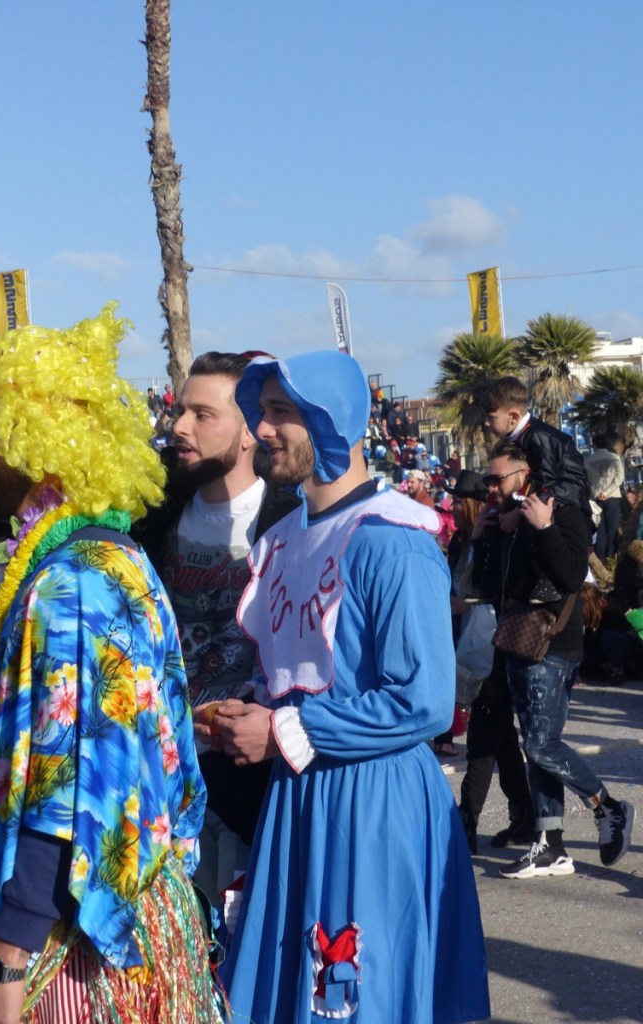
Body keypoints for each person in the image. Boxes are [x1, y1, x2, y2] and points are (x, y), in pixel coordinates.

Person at [0, 304, 221, 1023]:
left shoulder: (71, 585)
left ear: (34, 441)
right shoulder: (106, 555)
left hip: (76, 941)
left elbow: (69, 788)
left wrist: (8, 961)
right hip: (102, 914)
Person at [202, 351, 489, 1024]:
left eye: (281, 413)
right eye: (262, 412)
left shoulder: (393, 540)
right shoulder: (283, 540)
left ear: (332, 421)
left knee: (353, 995)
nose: (262, 430)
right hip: (298, 799)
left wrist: (281, 729)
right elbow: (302, 671)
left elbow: (422, 700)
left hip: (374, 803)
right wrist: (250, 709)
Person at [137, 351, 298, 913]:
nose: (180, 426)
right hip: (161, 771)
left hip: (249, 779)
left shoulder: (290, 520)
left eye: (203, 415)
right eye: (181, 410)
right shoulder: (149, 515)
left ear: (250, 430)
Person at [484, 442, 635, 878]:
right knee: (538, 747)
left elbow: (572, 576)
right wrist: (489, 534)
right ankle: (550, 844)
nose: (492, 487)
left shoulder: (562, 511)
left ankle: (608, 806)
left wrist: (545, 527)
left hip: (552, 645)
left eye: (498, 479)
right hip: (519, 640)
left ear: (524, 474)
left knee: (539, 745)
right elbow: (498, 585)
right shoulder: (512, 518)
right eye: (488, 479)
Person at [449, 471, 534, 854]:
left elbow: (491, 590)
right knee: (502, 741)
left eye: (460, 501)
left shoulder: (497, 535)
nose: (454, 506)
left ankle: (466, 822)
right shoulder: (461, 540)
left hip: (495, 646)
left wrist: (483, 541)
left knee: (483, 737)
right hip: (471, 644)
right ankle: (525, 815)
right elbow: (456, 584)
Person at [481, 376, 591, 605]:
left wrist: (517, 513)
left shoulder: (537, 436)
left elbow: (547, 483)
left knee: (537, 520)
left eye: (491, 417)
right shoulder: (518, 437)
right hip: (551, 492)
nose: (486, 424)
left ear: (513, 417)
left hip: (567, 495)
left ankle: (548, 582)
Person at [584, 434, 625, 561]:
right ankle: (612, 559)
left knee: (600, 533)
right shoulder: (615, 458)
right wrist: (606, 493)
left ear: (594, 445)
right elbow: (619, 478)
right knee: (612, 531)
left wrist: (597, 493)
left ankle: (601, 560)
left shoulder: (587, 460)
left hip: (595, 500)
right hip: (612, 497)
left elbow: (586, 482)